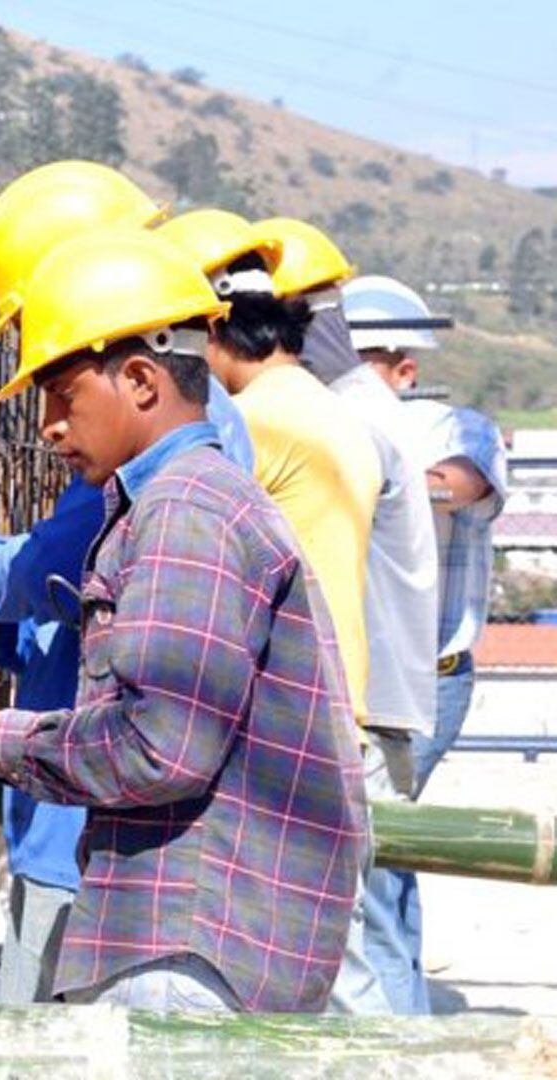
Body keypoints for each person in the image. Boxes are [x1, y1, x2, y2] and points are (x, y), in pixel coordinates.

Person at [0, 228, 368, 1013]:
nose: (47, 424)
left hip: (190, 944)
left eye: (62, 395)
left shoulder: (185, 511)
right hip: (182, 929)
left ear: (141, 380)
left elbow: (159, 746)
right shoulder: (173, 501)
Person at [0, 165, 257, 1006]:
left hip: (99, 837)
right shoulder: (166, 458)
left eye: (60, 389)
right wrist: (4, 641)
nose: (49, 425)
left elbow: (61, 578)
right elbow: (102, 629)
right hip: (80, 816)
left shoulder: (176, 486)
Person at [170, 215, 432, 1014]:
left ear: (212, 332)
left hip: (297, 716)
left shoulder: (258, 422)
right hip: (337, 699)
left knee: (338, 969)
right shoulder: (322, 408)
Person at [348, 273, 511, 1014]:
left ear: (403, 368)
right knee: (388, 843)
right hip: (368, 671)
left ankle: (391, 1017)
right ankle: (400, 1003)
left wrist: (370, 472)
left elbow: (464, 481)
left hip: (429, 676)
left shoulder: (455, 427)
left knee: (376, 846)